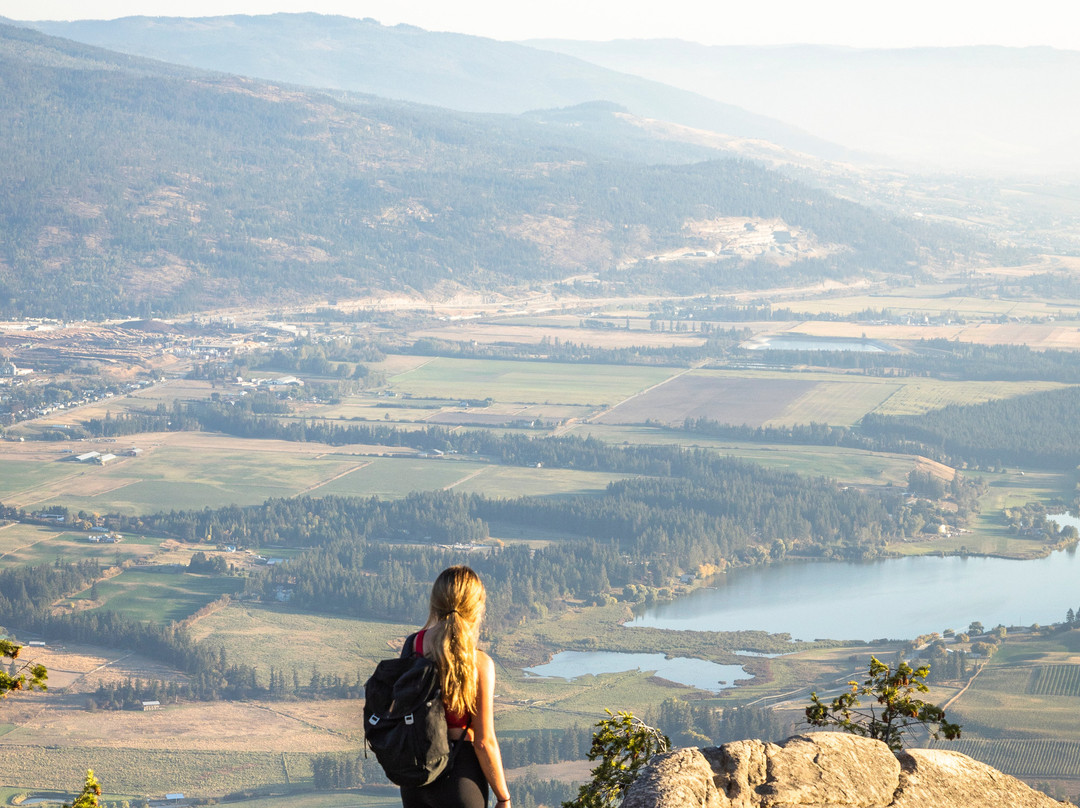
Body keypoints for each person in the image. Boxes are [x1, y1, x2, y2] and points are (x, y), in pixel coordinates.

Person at [400, 565, 512, 808]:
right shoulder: (479, 663)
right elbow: (484, 741)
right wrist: (504, 797)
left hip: (416, 777)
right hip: (461, 775)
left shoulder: (413, 646)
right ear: (477, 607)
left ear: (435, 602)